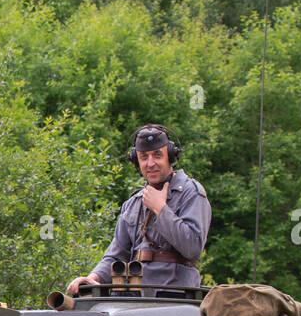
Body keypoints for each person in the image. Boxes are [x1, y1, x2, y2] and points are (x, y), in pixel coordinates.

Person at [67, 124, 211, 295]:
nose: (150, 163)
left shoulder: (190, 192)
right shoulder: (134, 203)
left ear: (170, 156)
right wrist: (94, 278)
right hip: (132, 295)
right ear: (137, 161)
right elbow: (117, 254)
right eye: (144, 157)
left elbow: (193, 247)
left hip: (171, 295)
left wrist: (160, 208)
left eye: (157, 155)